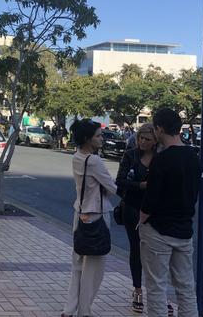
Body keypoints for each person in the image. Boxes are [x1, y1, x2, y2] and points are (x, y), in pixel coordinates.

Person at [139, 108, 201, 317]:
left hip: (158, 230)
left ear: (160, 128)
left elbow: (151, 200)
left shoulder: (162, 160)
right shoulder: (193, 156)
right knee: (186, 288)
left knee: (157, 288)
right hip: (184, 230)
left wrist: (142, 221)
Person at [62, 119, 117, 317]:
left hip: (80, 213)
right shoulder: (94, 160)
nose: (101, 138)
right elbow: (112, 187)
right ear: (87, 139)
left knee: (77, 264)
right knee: (94, 269)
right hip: (96, 216)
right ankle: (84, 311)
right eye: (98, 135)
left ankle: (69, 309)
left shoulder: (77, 157)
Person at [115, 123, 157, 313]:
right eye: (141, 138)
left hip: (154, 210)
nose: (143, 142)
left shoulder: (160, 158)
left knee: (155, 252)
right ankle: (138, 290)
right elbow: (120, 181)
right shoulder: (130, 155)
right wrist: (140, 185)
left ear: (155, 140)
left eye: (147, 139)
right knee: (136, 249)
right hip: (132, 207)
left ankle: (158, 294)